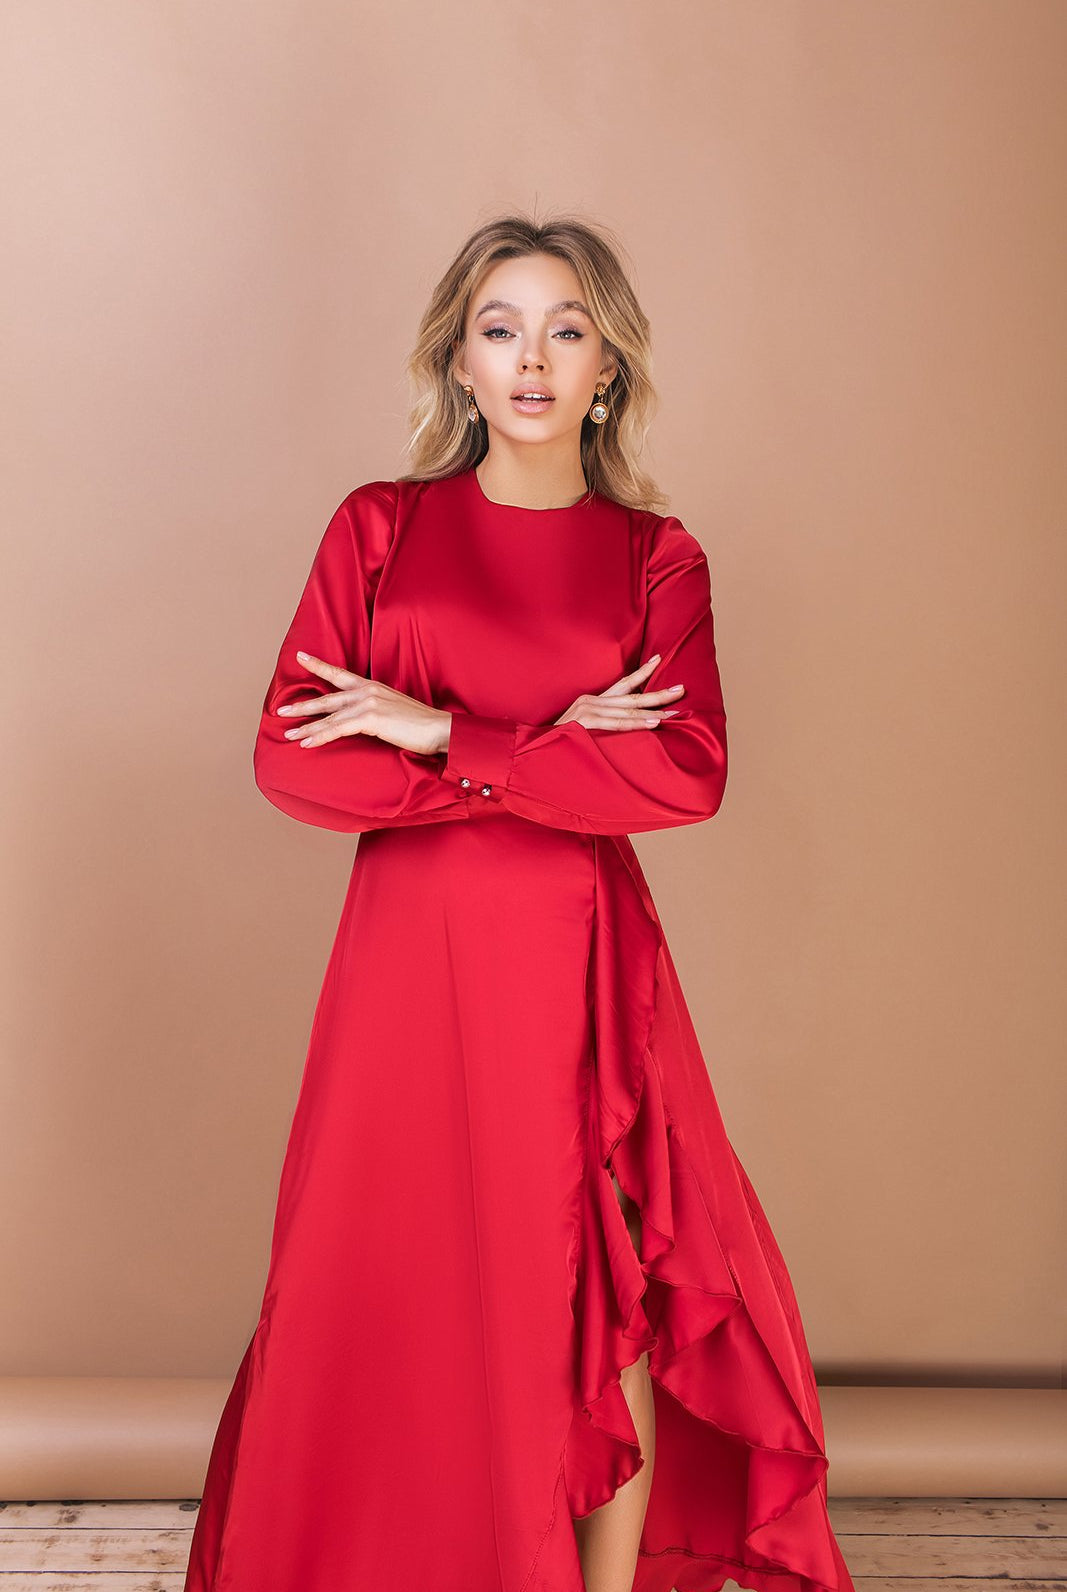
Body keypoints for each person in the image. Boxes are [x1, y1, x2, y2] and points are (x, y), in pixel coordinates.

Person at [183, 213, 856, 1592]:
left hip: (576, 963)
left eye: (566, 330)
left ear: (608, 368)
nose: (532, 359)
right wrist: (552, 753)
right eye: (501, 329)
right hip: (405, 960)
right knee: (378, 1272)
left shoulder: (657, 558)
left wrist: (444, 736)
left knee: (596, 1287)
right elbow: (291, 761)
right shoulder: (379, 529)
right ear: (460, 361)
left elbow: (684, 775)